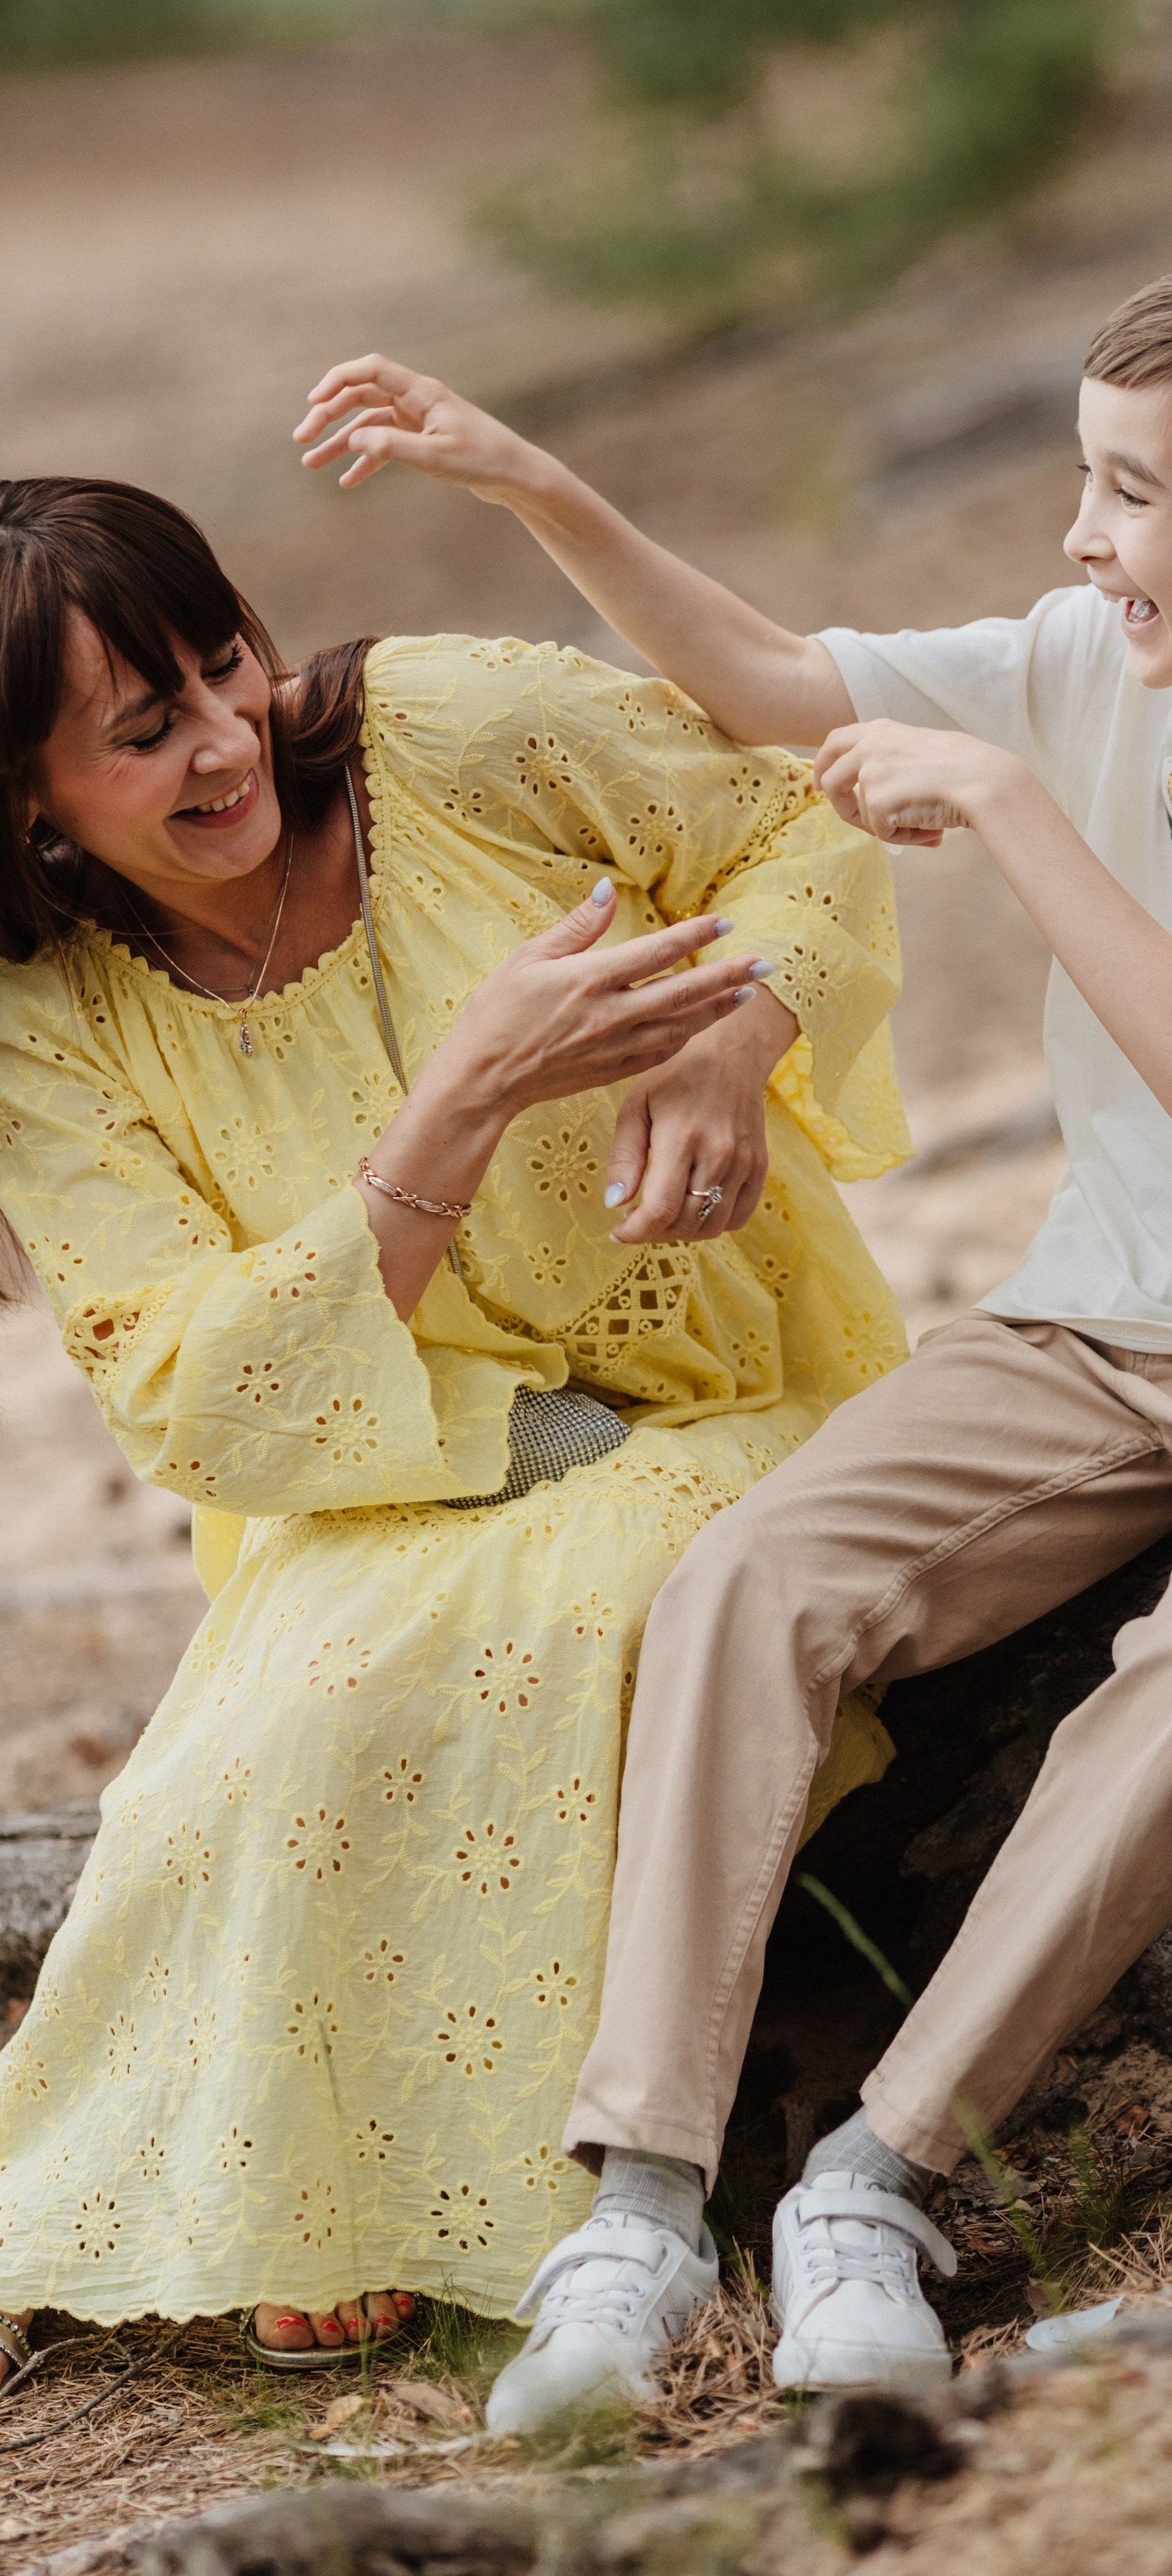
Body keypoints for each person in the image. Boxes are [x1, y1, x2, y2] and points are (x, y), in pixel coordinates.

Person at [283, 239, 1172, 2428]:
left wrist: (1010, 805)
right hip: (1088, 1322)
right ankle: (643, 2201)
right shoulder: (1086, 651)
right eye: (1084, 481)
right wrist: (528, 477)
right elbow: (767, 678)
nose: (1081, 537)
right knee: (754, 1575)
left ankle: (881, 2176)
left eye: (1130, 493)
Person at [0, 472, 910, 2386]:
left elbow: (794, 830)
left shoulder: (449, 734)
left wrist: (741, 1031)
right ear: (27, 800)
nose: (230, 738)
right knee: (239, 1765)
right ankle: (323, 2179)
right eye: (145, 730)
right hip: (383, 1494)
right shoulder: (48, 1022)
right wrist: (456, 1107)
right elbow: (196, 1400)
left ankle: (466, 2183)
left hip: (731, 1399)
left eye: (226, 663)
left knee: (578, 1632)